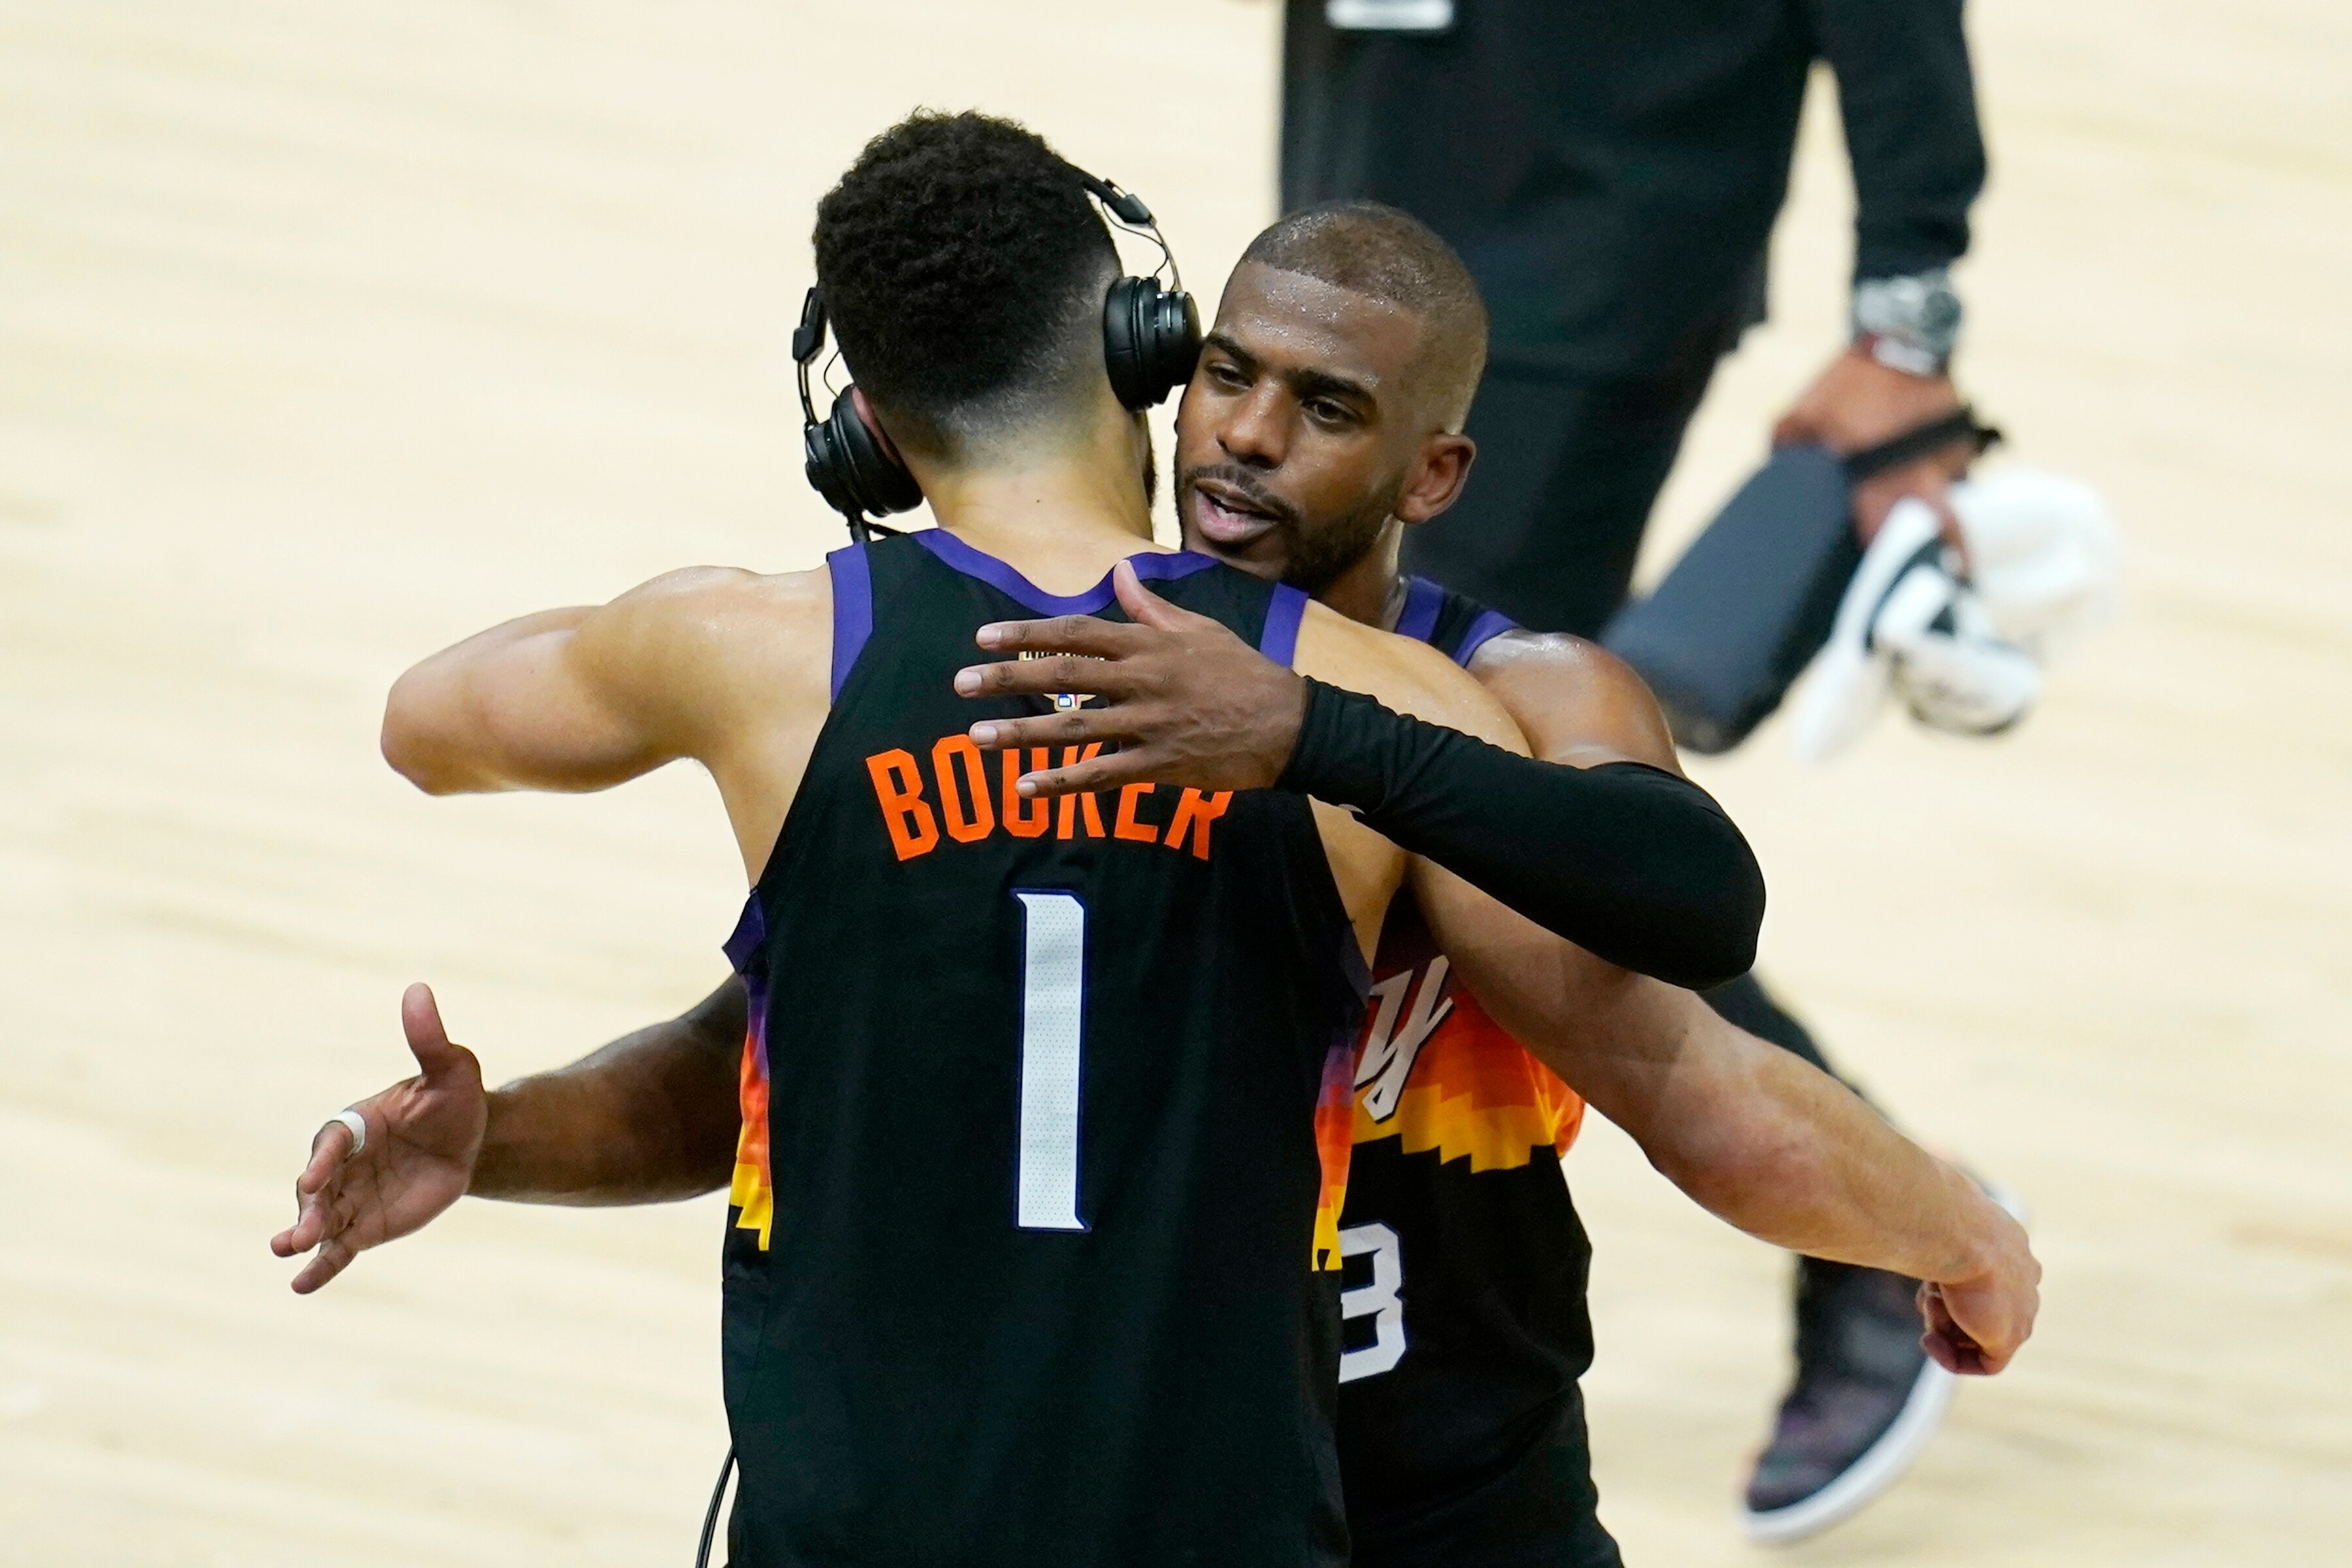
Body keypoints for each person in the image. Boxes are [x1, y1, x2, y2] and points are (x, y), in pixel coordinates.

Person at [277, 188, 2038, 1567]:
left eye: (1324, 407)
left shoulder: (1512, 697)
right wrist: (493, 1136)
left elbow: (1698, 1022)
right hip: (1129, 1482)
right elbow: (764, 1070)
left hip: (1434, 1490)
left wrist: (1946, 1224)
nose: (1246, 439)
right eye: (1225, 377)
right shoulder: (1016, 663)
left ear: (1432, 470)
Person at [1281, 2, 1999, 1533]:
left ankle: (1871, 1227)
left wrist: (1905, 320)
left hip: (1576, 270)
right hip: (1364, 229)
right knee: (1426, 788)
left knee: (1471, 791)